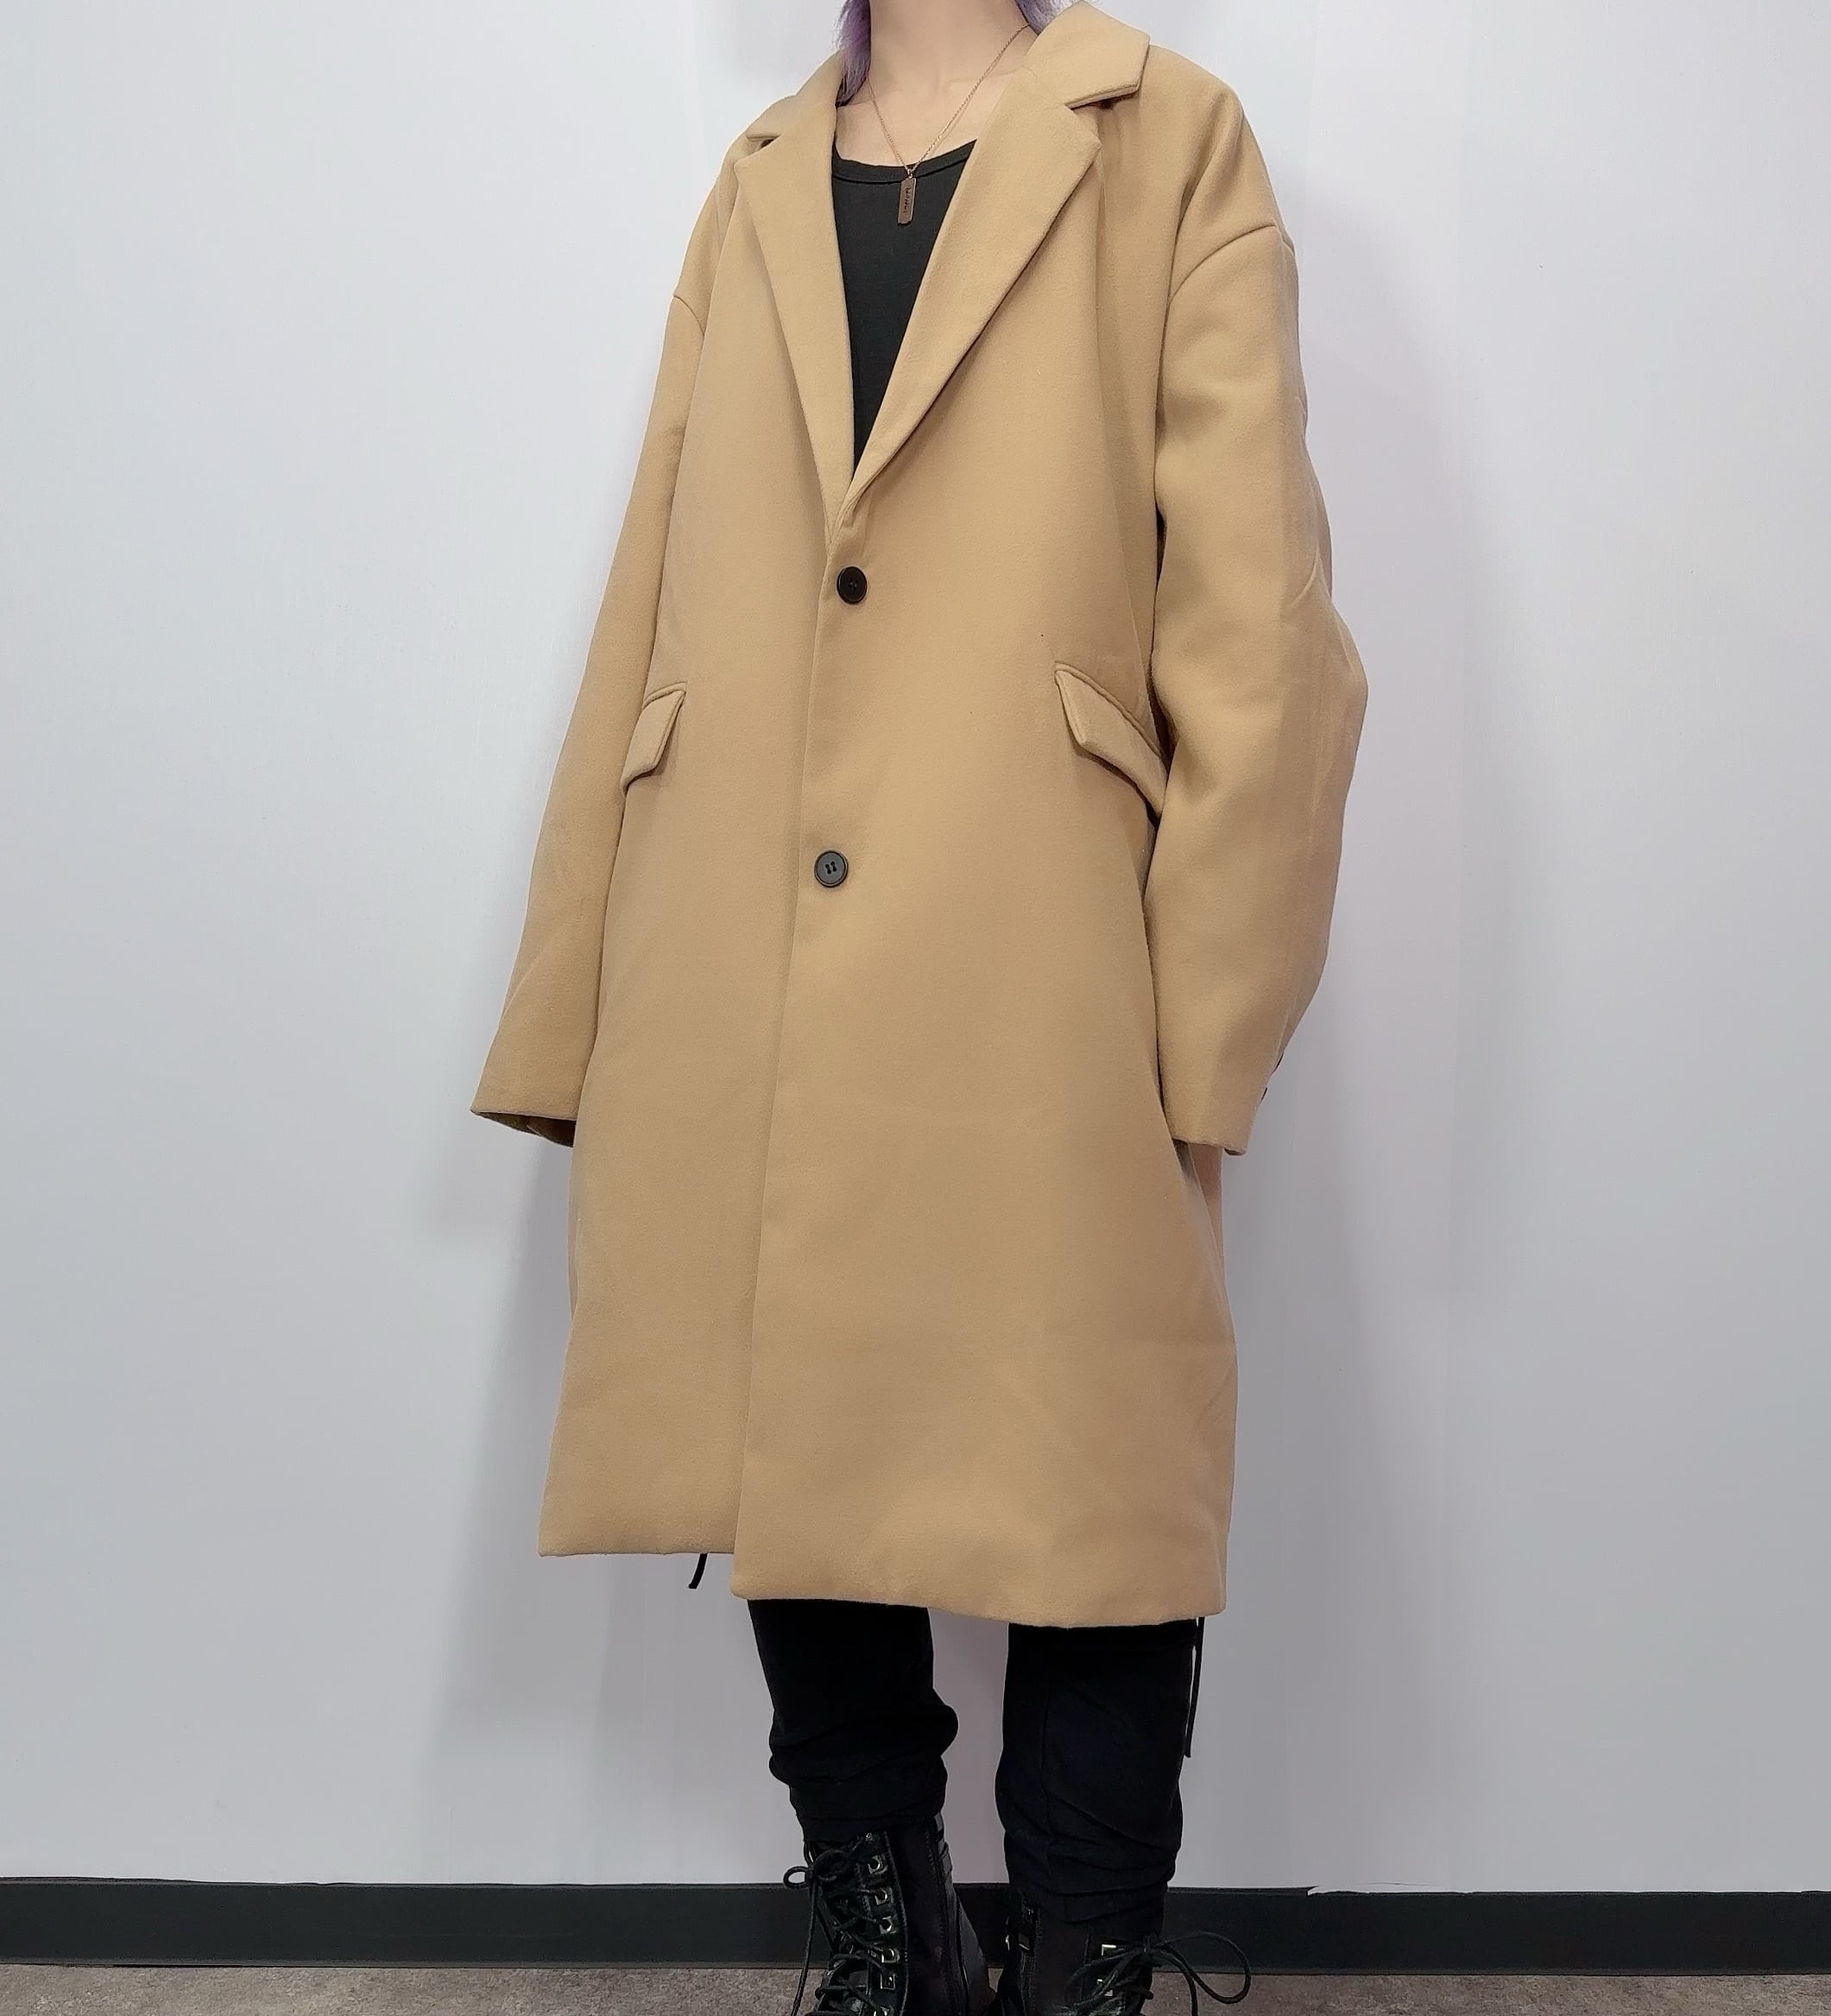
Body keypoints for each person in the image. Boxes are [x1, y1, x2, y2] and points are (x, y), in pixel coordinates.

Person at [470, 1, 1369, 2010]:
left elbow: (1260, 624)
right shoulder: (761, 178)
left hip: (1045, 938)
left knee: (1099, 1470)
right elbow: (651, 592)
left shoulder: (1167, 136)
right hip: (737, 923)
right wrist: (573, 992)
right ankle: (889, 1942)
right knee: (789, 1429)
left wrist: (1208, 1017)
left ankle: (1081, 1962)